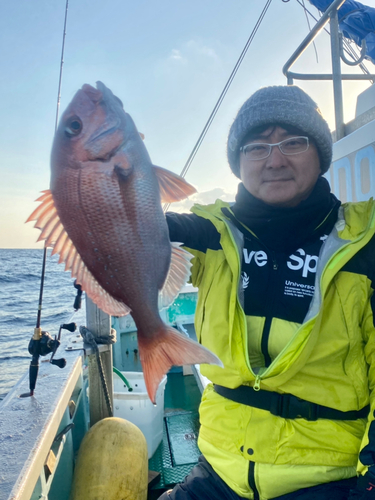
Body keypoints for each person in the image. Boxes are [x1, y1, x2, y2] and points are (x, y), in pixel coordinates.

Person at [158, 85, 375, 500]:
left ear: (320, 154)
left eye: (293, 142)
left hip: (324, 479)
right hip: (217, 469)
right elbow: (145, 229)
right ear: (239, 164)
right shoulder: (214, 234)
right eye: (256, 147)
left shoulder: (364, 243)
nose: (274, 160)